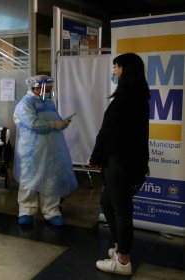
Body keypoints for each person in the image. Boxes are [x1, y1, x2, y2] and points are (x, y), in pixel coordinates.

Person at [88, 53, 150, 276]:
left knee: (121, 211)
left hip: (120, 162)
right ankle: (119, 248)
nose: (114, 71)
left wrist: (95, 157)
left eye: (116, 66)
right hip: (127, 161)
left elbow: (106, 133)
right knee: (108, 202)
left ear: (125, 69)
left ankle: (123, 261)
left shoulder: (126, 99)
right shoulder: (138, 96)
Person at [13, 75, 78, 227]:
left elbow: (55, 119)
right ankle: (26, 211)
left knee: (50, 180)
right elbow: (33, 123)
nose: (48, 92)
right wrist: (55, 124)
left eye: (50, 89)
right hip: (31, 151)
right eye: (47, 89)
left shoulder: (48, 103)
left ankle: (51, 211)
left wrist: (62, 123)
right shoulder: (25, 104)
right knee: (29, 181)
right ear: (36, 88)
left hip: (50, 150)